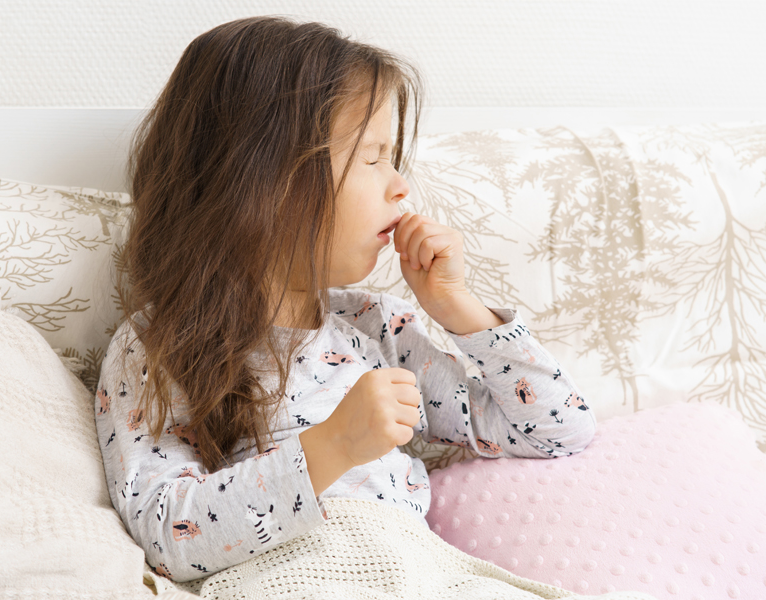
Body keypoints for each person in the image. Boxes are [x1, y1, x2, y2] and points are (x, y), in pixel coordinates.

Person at [95, 15, 599, 588]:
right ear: (266, 180)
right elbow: (168, 534)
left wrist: (459, 308)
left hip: (415, 572)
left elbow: (557, 430)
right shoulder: (158, 348)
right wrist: (333, 445)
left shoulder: (373, 329)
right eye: (372, 157)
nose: (400, 184)